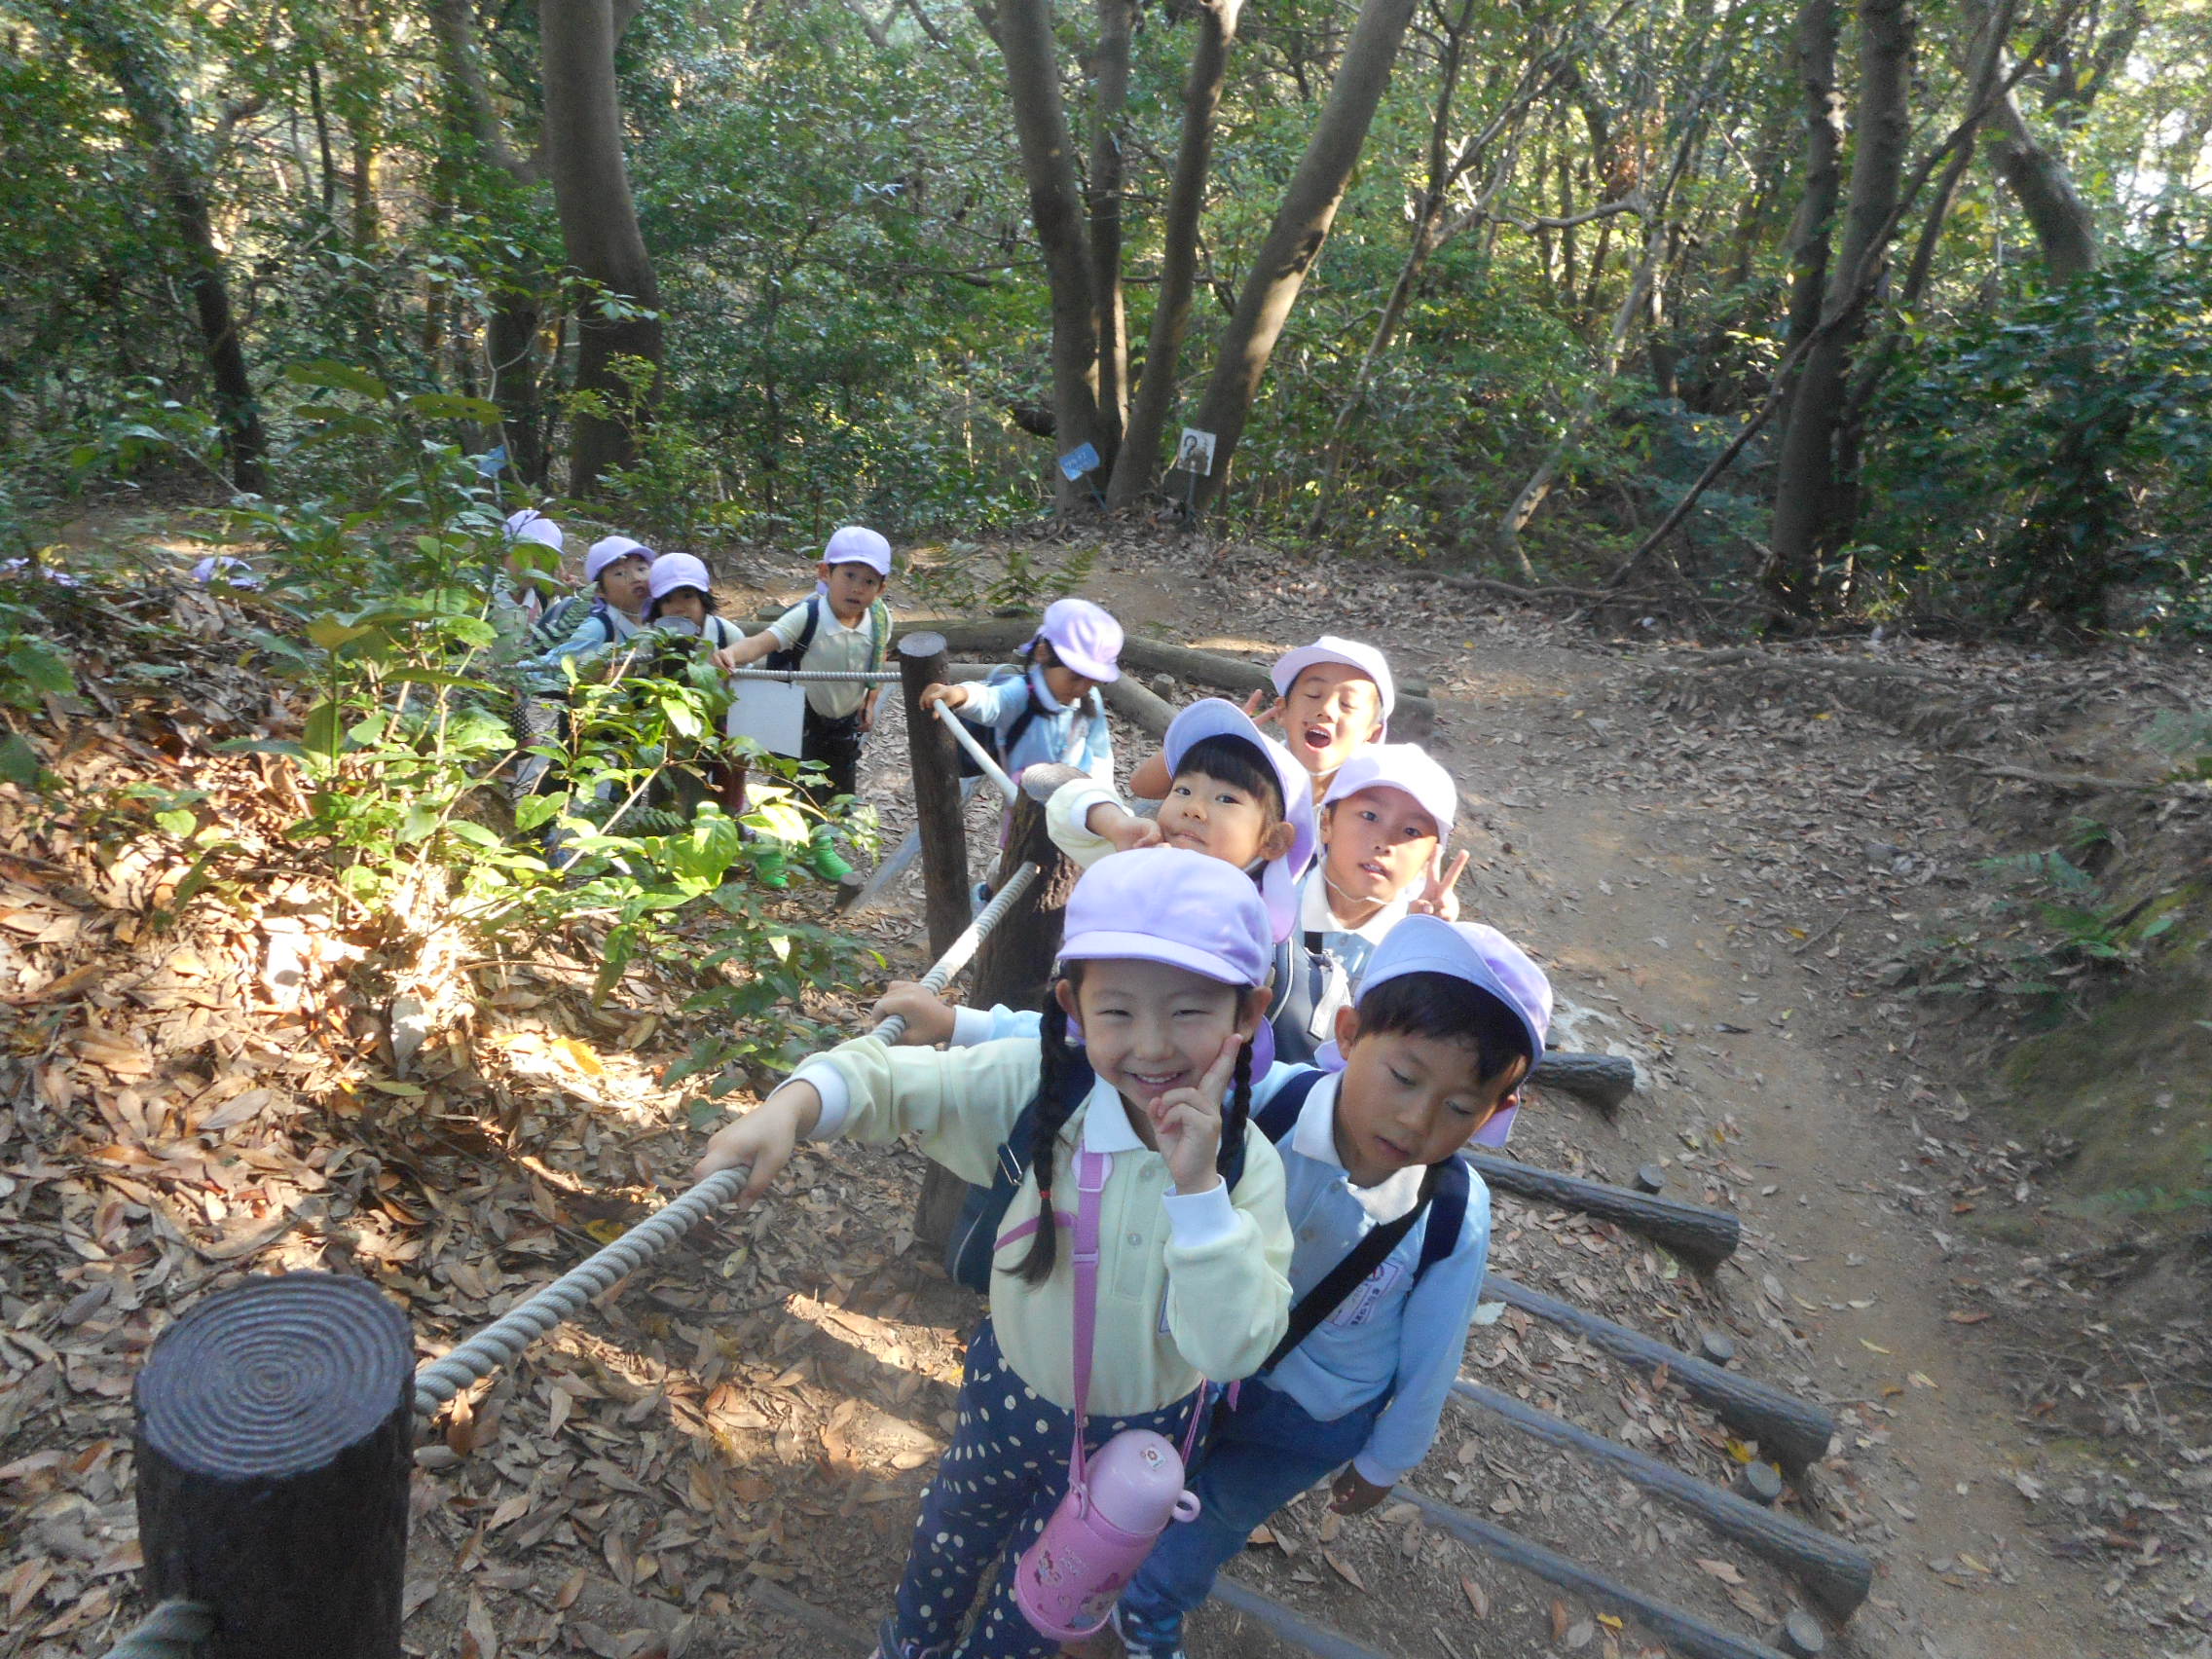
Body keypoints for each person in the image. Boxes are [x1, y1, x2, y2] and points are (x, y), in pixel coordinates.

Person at [689, 850, 1294, 1659]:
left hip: (1137, 1434)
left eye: (1189, 1012)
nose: (1152, 1046)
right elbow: (897, 1081)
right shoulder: (1039, 1088)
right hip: (1008, 1392)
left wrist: (1199, 1193)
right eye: (1117, 1012)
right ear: (1073, 1005)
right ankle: (911, 1644)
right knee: (951, 1532)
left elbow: (1232, 1349)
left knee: (1050, 1587)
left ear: (1247, 1012)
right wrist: (793, 1108)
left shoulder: (1249, 1171)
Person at [1107, 915, 1550, 1659]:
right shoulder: (1266, 1106)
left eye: (1459, 1107)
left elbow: (1432, 1358)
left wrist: (1385, 1463)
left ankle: (1147, 1612)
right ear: (1348, 1034)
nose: (1416, 1119)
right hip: (1199, 1361)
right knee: (1138, 1479)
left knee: (1215, 1518)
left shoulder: (1451, 1215)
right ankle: (1089, 1571)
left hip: (1311, 1416)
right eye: (1404, 1077)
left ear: (1496, 1112)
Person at [1273, 745, 1470, 1066]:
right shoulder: (1271, 903)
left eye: (1411, 831)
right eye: (1370, 816)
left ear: (1430, 857)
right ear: (1326, 823)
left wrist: (1428, 950)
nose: (1385, 842)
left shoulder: (1415, 941)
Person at [709, 525, 895, 815]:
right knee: (789, 783)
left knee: (838, 789)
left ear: (881, 588)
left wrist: (870, 701)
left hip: (845, 721)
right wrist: (730, 654)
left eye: (869, 581)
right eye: (849, 575)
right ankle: (775, 835)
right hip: (801, 718)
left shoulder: (879, 619)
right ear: (825, 573)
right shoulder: (808, 615)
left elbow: (877, 657)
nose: (857, 588)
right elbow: (761, 643)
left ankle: (828, 836)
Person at [1128, 636, 1392, 807]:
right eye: (1313, 694)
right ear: (1282, 711)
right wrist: (1217, 738)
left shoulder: (1372, 804)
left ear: (1372, 734)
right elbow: (1142, 787)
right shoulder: (1250, 766)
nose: (1326, 710)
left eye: (1348, 704)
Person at [920, 596, 1122, 786]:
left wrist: (1101, 795)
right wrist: (959, 694)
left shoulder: (1090, 698)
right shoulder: (1022, 695)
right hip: (1027, 802)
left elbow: (1100, 752)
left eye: (1093, 681)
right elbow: (992, 700)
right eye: (1075, 677)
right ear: (1043, 653)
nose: (1083, 688)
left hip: (1081, 799)